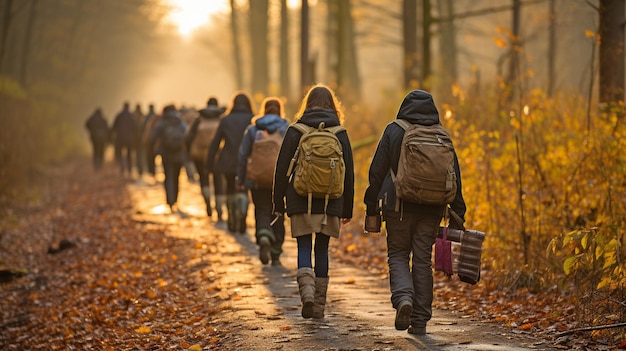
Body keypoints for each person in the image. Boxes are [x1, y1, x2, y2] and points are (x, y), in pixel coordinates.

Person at [363, 89, 466, 335]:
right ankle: (420, 320)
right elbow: (455, 175)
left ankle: (404, 299)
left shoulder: (394, 129)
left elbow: (377, 171)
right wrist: (458, 211)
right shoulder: (441, 134)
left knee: (398, 254)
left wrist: (370, 205)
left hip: (397, 206)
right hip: (432, 208)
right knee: (422, 260)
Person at [273, 84, 354, 319]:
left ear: (307, 103)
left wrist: (278, 203)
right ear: (333, 105)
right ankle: (319, 306)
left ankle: (306, 294)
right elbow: (348, 173)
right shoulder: (340, 132)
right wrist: (347, 208)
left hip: (300, 198)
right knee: (322, 249)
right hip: (332, 200)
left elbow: (281, 170)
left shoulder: (295, 130)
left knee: (304, 246)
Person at [237, 97, 289, 266]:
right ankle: (275, 252)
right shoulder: (287, 129)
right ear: (279, 110)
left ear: (264, 110)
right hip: (280, 181)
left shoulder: (253, 130)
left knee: (261, 209)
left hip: (257, 179)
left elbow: (243, 155)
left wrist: (241, 179)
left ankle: (264, 234)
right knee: (279, 213)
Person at [207, 91, 255, 233]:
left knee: (229, 188)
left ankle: (231, 218)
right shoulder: (252, 119)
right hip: (247, 161)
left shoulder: (225, 120)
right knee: (244, 189)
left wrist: (209, 164)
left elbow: (215, 143)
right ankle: (242, 217)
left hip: (227, 160)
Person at [185, 97, 226, 218]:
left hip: (199, 155)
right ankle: (219, 206)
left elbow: (188, 138)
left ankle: (207, 200)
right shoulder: (220, 119)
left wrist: (189, 152)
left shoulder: (199, 119)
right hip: (217, 155)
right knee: (218, 180)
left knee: (203, 179)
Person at [149, 104, 188, 213]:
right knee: (176, 177)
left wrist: (153, 151)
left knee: (168, 176)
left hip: (166, 153)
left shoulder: (162, 122)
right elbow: (187, 135)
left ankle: (170, 201)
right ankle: (175, 200)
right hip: (179, 154)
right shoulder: (180, 121)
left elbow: (152, 137)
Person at [111, 102, 139, 178]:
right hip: (129, 139)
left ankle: (122, 168)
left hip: (120, 138)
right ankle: (129, 169)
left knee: (120, 154)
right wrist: (136, 138)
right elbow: (135, 127)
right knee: (129, 154)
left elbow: (113, 127)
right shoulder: (131, 116)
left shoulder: (119, 115)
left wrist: (112, 137)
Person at [132, 103, 146, 176]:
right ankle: (141, 167)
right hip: (141, 139)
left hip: (135, 138)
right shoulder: (143, 116)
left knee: (137, 154)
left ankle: (139, 167)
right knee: (141, 153)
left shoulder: (133, 116)